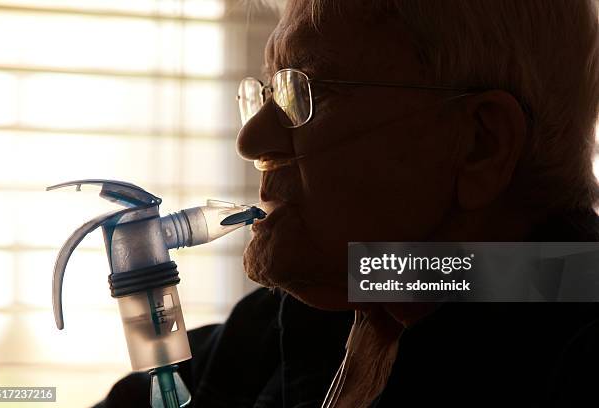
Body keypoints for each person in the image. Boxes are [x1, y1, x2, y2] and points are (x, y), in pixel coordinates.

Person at [96, 0, 599, 406]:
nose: (251, 141)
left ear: (480, 145)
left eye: (306, 91)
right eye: (269, 90)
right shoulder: (307, 315)